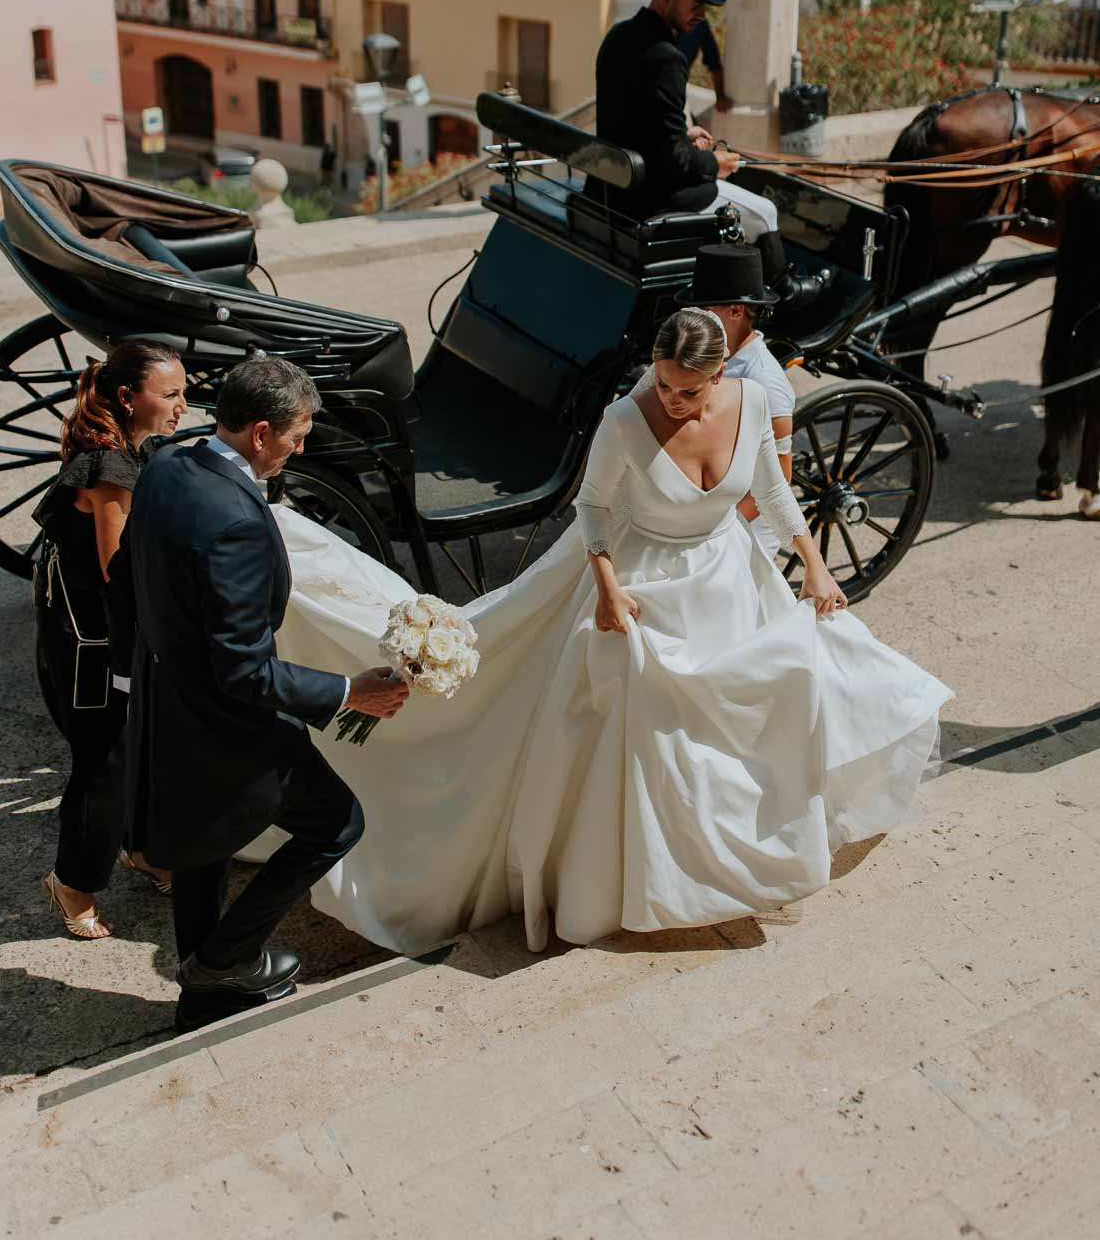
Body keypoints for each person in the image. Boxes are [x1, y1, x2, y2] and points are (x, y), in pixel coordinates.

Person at [241, 309, 951, 958]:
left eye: (692, 391)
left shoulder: (754, 401)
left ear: (719, 378)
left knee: (751, 719)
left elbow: (769, 493)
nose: (676, 403)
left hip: (727, 580)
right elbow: (591, 509)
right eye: (668, 387)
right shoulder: (622, 420)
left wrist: (816, 568)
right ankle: (653, 880)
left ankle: (737, 855)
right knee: (652, 737)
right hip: (641, 590)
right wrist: (608, 592)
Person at [110, 356, 408, 1032]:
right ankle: (221, 960)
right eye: (298, 436)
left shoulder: (166, 465)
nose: (302, 449)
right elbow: (242, 671)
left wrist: (137, 667)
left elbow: (125, 573)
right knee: (336, 822)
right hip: (227, 724)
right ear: (262, 433)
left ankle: (205, 996)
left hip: (167, 702)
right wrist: (346, 692)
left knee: (200, 846)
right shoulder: (237, 520)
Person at [33, 340, 187, 940]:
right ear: (128, 397)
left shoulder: (112, 449)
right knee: (106, 759)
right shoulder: (113, 469)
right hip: (92, 647)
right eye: (169, 394)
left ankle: (140, 849)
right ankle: (71, 881)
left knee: (138, 744)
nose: (182, 405)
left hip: (93, 631)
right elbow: (117, 569)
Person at [590, 0, 777, 239]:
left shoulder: (618, 36)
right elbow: (676, 163)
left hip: (611, 189)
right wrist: (714, 162)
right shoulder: (667, 58)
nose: (702, 16)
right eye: (696, 4)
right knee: (766, 213)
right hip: (646, 201)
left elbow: (630, 122)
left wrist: (680, 136)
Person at [633, 243, 794, 562]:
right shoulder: (700, 351)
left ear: (736, 311)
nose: (691, 316)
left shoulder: (764, 382)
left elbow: (777, 480)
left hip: (738, 523)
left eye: (704, 309)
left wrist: (713, 531)